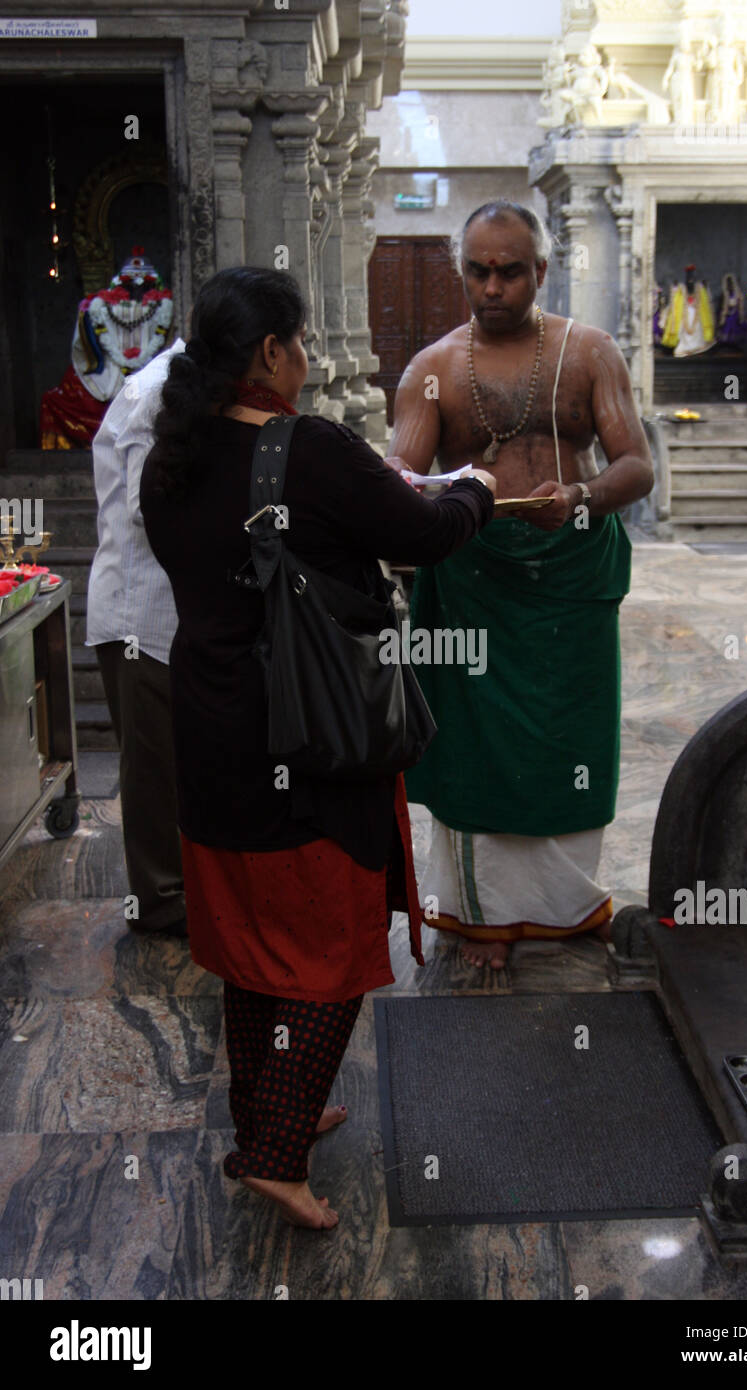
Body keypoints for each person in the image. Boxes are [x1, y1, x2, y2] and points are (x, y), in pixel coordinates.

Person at [139, 266, 495, 1228]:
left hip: (211, 733)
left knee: (255, 947)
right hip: (309, 733)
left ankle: (271, 1113)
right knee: (330, 952)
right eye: (298, 343)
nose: (305, 358)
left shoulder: (168, 455)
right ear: (272, 353)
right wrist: (478, 488)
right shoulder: (316, 453)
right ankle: (276, 1152)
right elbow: (422, 532)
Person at [390, 200, 654, 970]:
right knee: (476, 744)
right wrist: (412, 491)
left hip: (569, 574)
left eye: (511, 270)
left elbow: (636, 465)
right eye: (479, 270)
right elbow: (404, 479)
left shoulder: (590, 352)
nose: (493, 285)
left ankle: (567, 905)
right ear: (462, 272)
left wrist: (583, 499)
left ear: (540, 270)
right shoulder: (433, 369)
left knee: (570, 739)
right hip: (473, 582)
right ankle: (483, 920)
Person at [86, 334, 188, 936]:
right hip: (139, 615)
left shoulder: (184, 385)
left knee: (171, 760)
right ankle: (159, 901)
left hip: (165, 612)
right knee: (151, 768)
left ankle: (180, 888)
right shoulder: (156, 394)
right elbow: (146, 508)